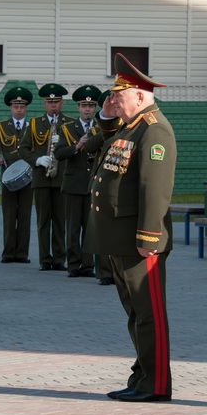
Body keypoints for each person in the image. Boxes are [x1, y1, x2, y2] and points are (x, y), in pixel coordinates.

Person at [84, 53, 176, 403]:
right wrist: (108, 115)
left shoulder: (154, 130)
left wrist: (149, 237)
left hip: (140, 241)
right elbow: (107, 141)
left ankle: (156, 384)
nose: (112, 101)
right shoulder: (131, 126)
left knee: (149, 314)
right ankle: (141, 376)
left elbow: (154, 189)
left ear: (139, 96)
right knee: (135, 314)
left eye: (118, 96)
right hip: (120, 239)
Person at [19, 83, 73, 271]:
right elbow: (23, 149)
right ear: (44, 103)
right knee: (43, 221)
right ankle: (45, 258)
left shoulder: (69, 123)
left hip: (62, 179)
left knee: (60, 220)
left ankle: (59, 258)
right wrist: (36, 160)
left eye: (56, 102)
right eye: (49, 102)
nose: (53, 105)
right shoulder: (34, 123)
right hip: (42, 178)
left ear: (62, 103)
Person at [54, 84, 100, 278]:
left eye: (91, 106)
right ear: (78, 108)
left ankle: (88, 265)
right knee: (72, 228)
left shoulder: (100, 128)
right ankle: (73, 264)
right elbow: (58, 153)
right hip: (73, 184)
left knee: (89, 228)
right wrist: (77, 146)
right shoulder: (66, 128)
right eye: (83, 106)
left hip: (91, 184)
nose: (87, 110)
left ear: (95, 108)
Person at [0, 86, 34, 264]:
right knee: (9, 215)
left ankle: (22, 253)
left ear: (26, 108)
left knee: (25, 215)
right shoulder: (1, 126)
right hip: (8, 176)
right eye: (16, 106)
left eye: (22, 107)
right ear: (10, 107)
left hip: (29, 177)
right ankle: (8, 252)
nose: (19, 110)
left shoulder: (33, 126)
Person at [82, 89, 115, 286]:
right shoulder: (97, 129)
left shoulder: (129, 128)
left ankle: (118, 270)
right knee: (101, 231)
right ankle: (104, 271)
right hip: (100, 183)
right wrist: (107, 128)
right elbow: (89, 146)